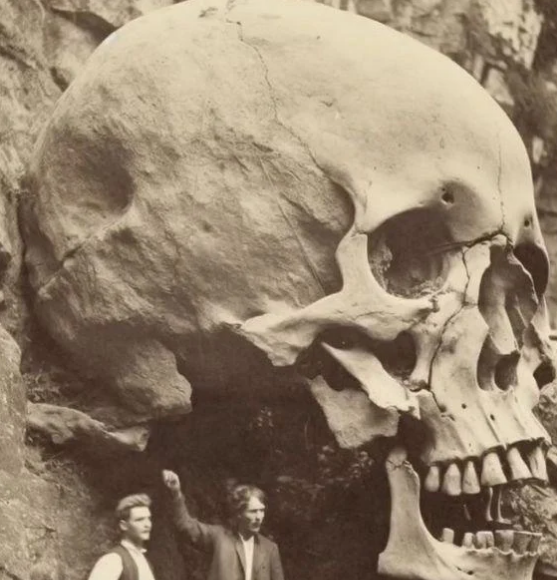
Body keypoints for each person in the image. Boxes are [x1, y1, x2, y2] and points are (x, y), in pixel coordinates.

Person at [162, 470, 285, 580]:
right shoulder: (219, 537)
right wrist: (176, 494)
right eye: (253, 511)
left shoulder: (270, 549)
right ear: (239, 513)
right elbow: (185, 525)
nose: (259, 517)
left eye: (262, 510)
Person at [87, 493, 157, 580]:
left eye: (149, 519)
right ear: (124, 525)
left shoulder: (143, 560)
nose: (147, 525)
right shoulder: (113, 560)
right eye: (139, 520)